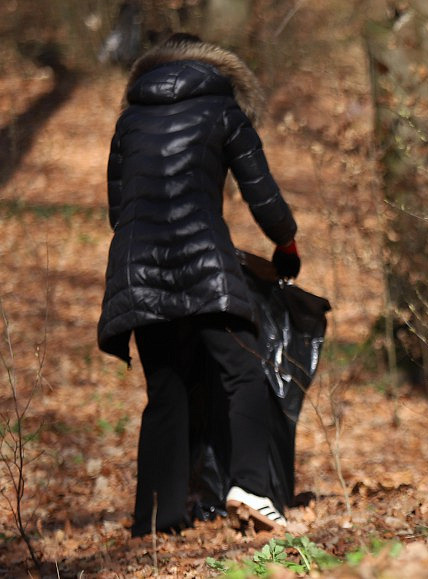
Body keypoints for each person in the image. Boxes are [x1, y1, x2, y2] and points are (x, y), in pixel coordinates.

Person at [97, 33, 301, 536]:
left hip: (136, 273)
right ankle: (251, 486)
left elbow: (117, 212)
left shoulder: (130, 120)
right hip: (205, 266)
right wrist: (286, 245)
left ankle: (155, 522)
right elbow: (263, 194)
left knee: (165, 391)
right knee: (245, 370)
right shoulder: (223, 110)